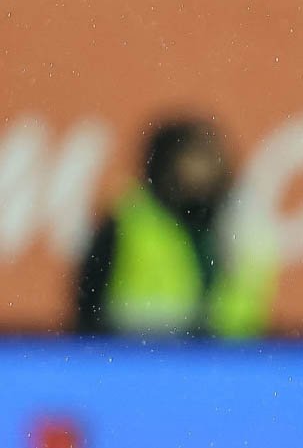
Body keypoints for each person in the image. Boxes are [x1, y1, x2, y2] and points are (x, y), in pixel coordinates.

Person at [76, 119, 276, 338]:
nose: (201, 171)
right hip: (138, 356)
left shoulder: (239, 223)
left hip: (225, 359)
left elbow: (250, 307)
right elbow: (88, 303)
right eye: (192, 158)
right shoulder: (129, 220)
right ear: (165, 164)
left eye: (207, 158)